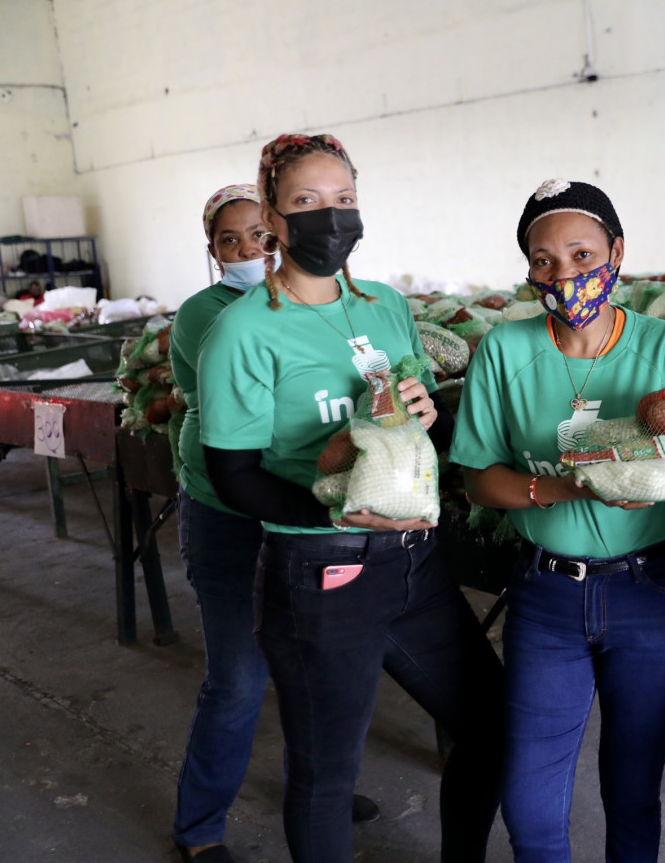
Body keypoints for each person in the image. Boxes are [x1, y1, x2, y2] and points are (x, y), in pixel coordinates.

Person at [196, 134, 504, 863]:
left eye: (344, 199)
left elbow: (422, 426)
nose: (329, 217)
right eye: (306, 201)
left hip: (415, 564)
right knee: (326, 776)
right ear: (273, 215)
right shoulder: (242, 331)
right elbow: (234, 474)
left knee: (495, 723)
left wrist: (432, 414)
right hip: (322, 577)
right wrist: (329, 512)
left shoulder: (386, 305)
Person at [450, 179, 665, 862]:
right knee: (529, 798)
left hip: (652, 591)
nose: (565, 275)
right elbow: (479, 478)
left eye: (582, 255)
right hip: (547, 595)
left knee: (633, 787)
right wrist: (567, 486)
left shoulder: (664, 344)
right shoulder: (504, 350)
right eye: (544, 261)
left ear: (616, 252)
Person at [169, 184, 383, 863]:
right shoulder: (208, 317)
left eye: (256, 236)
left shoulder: (323, 301)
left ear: (277, 232)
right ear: (212, 251)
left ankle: (317, 790)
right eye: (228, 240)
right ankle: (200, 828)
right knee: (239, 677)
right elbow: (247, 426)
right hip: (229, 512)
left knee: (312, 663)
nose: (247, 250)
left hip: (300, 513)